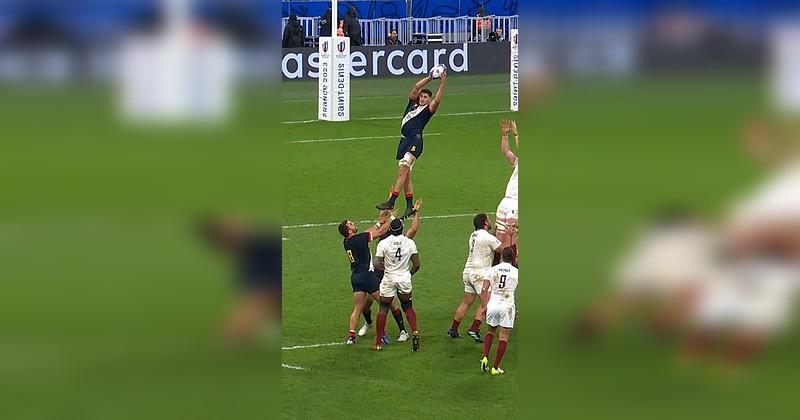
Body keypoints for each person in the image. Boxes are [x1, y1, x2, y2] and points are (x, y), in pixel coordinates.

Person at [375, 70, 447, 218]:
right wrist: (429, 77)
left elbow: (438, 100)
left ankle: (392, 201)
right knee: (406, 175)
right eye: (421, 96)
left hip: (415, 141)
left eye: (425, 97)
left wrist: (442, 82)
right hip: (404, 141)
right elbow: (415, 87)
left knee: (403, 168)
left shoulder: (428, 110)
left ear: (429, 99)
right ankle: (409, 206)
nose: (421, 98)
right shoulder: (412, 105)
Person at [200, 216, 281, 345]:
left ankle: (234, 338)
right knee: (260, 302)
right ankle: (234, 339)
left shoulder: (257, 241)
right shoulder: (256, 243)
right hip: (266, 272)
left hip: (267, 268)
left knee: (271, 302)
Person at [339, 211, 408, 345]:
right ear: (349, 230)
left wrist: (379, 222)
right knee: (388, 304)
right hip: (368, 277)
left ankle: (351, 337)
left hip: (356, 277)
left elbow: (367, 233)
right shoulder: (359, 239)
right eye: (351, 224)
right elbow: (381, 232)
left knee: (357, 308)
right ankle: (395, 332)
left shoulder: (347, 242)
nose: (354, 224)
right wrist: (391, 219)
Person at [448, 213, 502, 342]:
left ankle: (453, 329)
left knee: (467, 302)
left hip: (468, 272)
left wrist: (493, 236)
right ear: (485, 223)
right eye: (488, 220)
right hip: (480, 274)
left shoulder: (473, 235)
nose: (490, 221)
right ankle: (474, 329)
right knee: (487, 303)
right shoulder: (488, 237)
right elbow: (503, 250)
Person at [374, 218, 421, 351]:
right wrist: (408, 274)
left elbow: (377, 264)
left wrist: (387, 270)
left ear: (390, 229)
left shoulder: (383, 243)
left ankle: (378, 342)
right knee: (408, 307)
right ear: (402, 229)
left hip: (389, 278)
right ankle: (415, 331)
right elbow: (417, 264)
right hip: (404, 278)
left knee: (383, 308)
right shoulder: (410, 242)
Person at [480, 247, 518, 375]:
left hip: (493, 304)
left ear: (501, 257)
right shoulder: (516, 272)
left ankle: (485, 356)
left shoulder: (492, 270)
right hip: (507, 306)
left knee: (490, 331)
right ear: (512, 258)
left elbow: (484, 288)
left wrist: (484, 306)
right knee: (503, 336)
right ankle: (495, 367)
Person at [496, 120, 519, 265]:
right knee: (498, 239)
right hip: (505, 202)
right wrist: (504, 136)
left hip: (516, 205)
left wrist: (516, 134)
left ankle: (513, 271)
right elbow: (506, 152)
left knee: (512, 240)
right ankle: (498, 270)